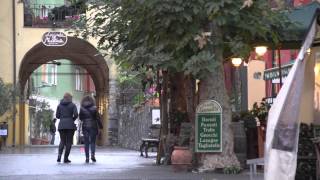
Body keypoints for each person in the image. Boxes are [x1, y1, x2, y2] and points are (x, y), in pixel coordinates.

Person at [79, 95, 103, 163]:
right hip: (93, 126)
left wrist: (84, 118)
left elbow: (80, 118)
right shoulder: (94, 108)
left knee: (86, 143)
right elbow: (97, 118)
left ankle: (87, 158)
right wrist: (101, 126)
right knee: (93, 142)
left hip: (85, 126)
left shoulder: (82, 108)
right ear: (92, 101)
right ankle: (92, 155)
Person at [56, 92, 78, 163]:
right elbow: (76, 114)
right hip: (70, 126)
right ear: (70, 97)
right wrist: (72, 119)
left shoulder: (59, 105)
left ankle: (59, 155)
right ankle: (65, 158)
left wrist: (63, 117)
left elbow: (57, 116)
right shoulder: (73, 105)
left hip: (61, 125)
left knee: (62, 141)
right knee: (68, 142)